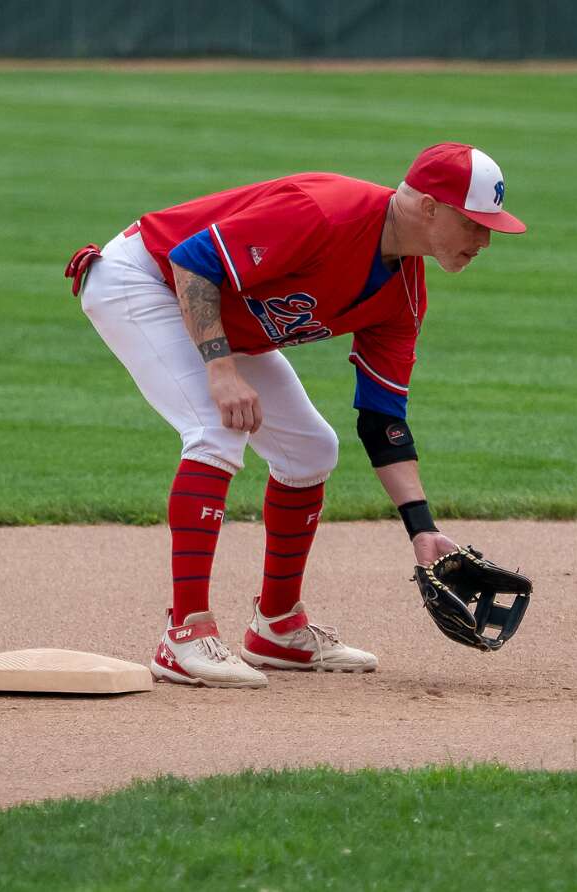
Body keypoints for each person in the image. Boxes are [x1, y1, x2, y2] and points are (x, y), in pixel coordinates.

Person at [64, 142, 526, 689]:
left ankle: (277, 627)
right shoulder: (324, 213)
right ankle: (184, 636)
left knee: (310, 450)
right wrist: (220, 369)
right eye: (473, 223)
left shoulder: (404, 293)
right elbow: (192, 261)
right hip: (145, 279)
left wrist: (422, 531)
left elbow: (381, 421)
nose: (484, 240)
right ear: (429, 207)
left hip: (219, 310)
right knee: (214, 428)